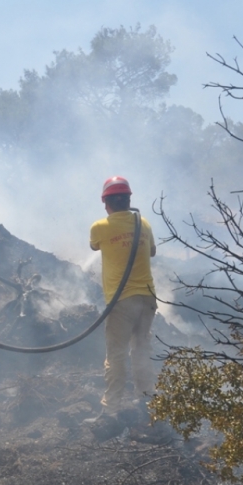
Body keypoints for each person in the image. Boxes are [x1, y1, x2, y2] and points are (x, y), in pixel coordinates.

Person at [89, 176, 158, 416]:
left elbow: (94, 246)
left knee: (116, 355)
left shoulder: (100, 227)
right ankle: (147, 400)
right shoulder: (144, 224)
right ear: (129, 200)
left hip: (122, 301)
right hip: (148, 298)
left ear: (105, 202)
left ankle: (111, 410)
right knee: (141, 348)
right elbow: (152, 252)